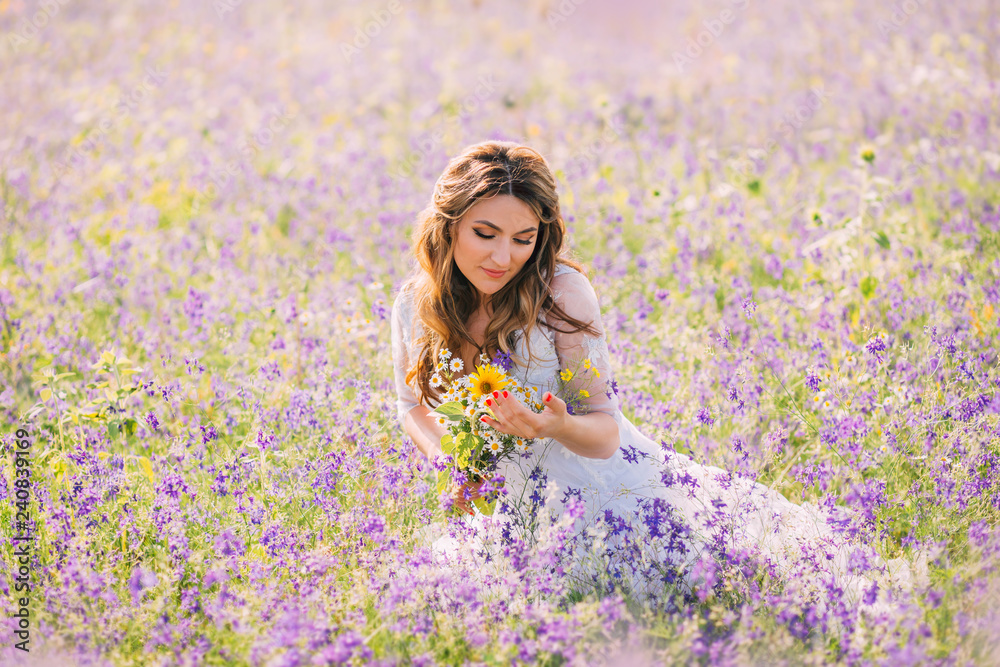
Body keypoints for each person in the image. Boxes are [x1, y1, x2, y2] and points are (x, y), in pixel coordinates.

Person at [390, 140, 923, 613]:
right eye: (485, 233)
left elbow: (604, 431)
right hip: (502, 504)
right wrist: (454, 465)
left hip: (597, 492)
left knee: (719, 588)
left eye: (523, 238)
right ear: (449, 223)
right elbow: (410, 403)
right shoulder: (419, 302)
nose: (503, 256)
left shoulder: (561, 294)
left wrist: (552, 426)